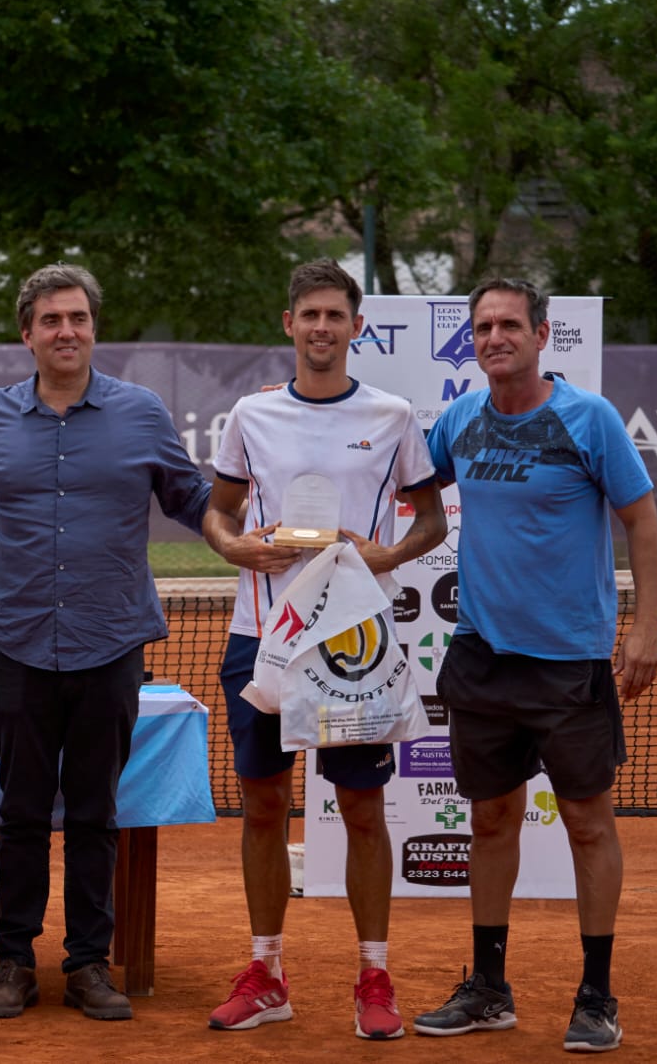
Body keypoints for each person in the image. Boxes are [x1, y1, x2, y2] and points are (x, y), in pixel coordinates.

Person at [412, 278, 657, 1053]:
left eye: (509, 324)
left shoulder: (588, 419)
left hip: (570, 662)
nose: (495, 337)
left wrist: (646, 626)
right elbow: (408, 492)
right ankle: (490, 987)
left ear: (541, 333)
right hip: (483, 658)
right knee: (490, 819)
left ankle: (597, 994)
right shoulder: (459, 420)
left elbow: (643, 524)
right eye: (483, 327)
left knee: (589, 823)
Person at [200, 259, 446, 1040]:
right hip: (261, 640)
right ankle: (267, 972)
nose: (321, 328)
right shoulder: (250, 415)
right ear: (288, 323)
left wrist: (385, 555)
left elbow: (433, 522)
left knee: (363, 810)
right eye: (308, 314)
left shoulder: (394, 414)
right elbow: (218, 515)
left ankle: (374, 975)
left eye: (335, 315)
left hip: (355, 647)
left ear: (356, 326)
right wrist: (237, 549)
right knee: (263, 805)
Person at [0, 262, 213, 1022]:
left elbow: (195, 498)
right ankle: (14, 961)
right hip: (19, 638)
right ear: (27, 333)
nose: (65, 330)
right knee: (22, 812)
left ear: (93, 327)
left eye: (77, 317)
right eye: (50, 320)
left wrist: (254, 503)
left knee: (98, 812)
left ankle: (87, 963)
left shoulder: (142, 412)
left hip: (112, 643)